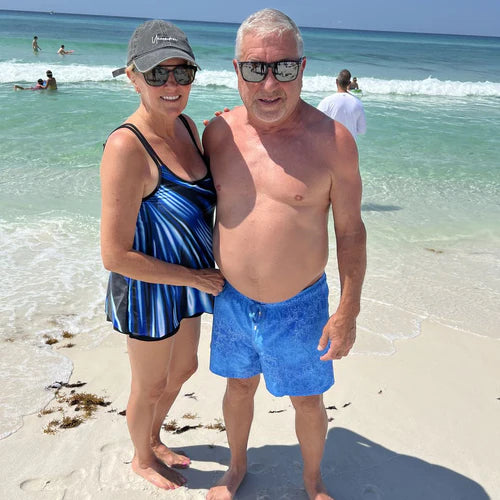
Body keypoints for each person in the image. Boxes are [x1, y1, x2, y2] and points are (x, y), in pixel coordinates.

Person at [203, 8, 366, 500]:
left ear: (303, 68)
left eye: (284, 68)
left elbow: (350, 232)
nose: (269, 84)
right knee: (238, 387)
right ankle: (236, 468)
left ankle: (313, 481)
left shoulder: (333, 142)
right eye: (256, 68)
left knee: (308, 400)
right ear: (237, 70)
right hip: (231, 298)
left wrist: (348, 310)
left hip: (301, 304)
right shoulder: (218, 133)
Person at [101, 19, 224, 491]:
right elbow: (114, 255)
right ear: (133, 77)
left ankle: (152, 436)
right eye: (157, 73)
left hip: (187, 282)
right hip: (146, 288)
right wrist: (194, 278)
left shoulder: (188, 127)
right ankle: (141, 457)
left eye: (182, 72)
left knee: (184, 368)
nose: (172, 84)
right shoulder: (126, 147)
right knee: (149, 384)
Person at [317, 69, 366, 139]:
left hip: (331, 143)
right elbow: (362, 131)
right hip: (350, 144)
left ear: (336, 81)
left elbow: (316, 124)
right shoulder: (358, 103)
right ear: (349, 83)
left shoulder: (326, 101)